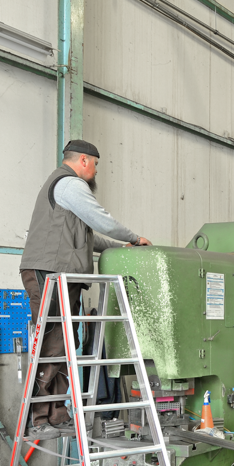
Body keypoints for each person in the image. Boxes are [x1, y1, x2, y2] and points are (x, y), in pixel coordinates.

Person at [20, 139, 152, 440]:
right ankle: (38, 418)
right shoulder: (69, 184)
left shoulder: (67, 191)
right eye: (95, 164)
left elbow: (89, 237)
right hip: (50, 273)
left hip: (63, 275)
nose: (95, 171)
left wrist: (122, 247)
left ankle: (57, 415)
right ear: (83, 160)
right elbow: (101, 220)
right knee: (52, 343)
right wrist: (134, 237)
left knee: (66, 343)